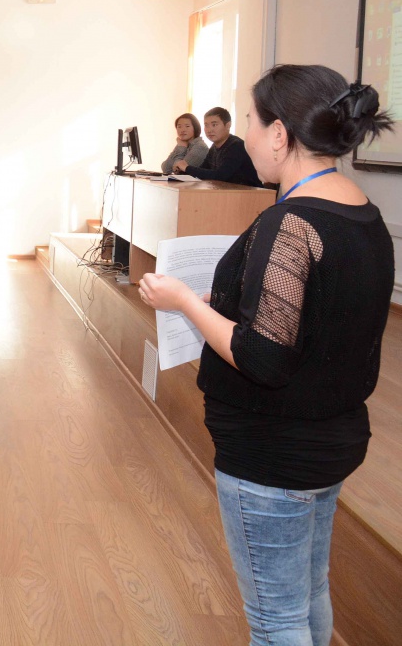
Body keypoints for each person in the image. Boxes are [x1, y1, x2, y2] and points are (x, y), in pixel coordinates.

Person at [139, 65, 394, 646]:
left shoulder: (292, 222)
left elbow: (263, 357)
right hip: (331, 440)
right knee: (308, 593)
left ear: (280, 134)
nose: (247, 136)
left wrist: (184, 301)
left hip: (273, 454)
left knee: (276, 621)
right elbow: (317, 319)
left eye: (252, 121)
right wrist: (225, 303)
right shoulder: (362, 211)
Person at [173, 107, 261, 187]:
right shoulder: (214, 147)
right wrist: (181, 170)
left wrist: (187, 168)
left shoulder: (236, 146)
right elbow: (203, 170)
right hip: (229, 193)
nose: (209, 130)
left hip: (251, 194)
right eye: (206, 125)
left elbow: (220, 175)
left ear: (228, 125)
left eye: (214, 125)